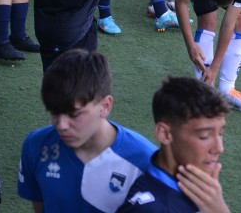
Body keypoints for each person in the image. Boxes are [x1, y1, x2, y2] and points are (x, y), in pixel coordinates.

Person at [18, 49, 155, 212]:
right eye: (54, 112)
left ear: (105, 106)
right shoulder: (36, 145)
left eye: (74, 114)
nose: (61, 125)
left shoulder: (145, 161)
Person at [117, 76, 231, 213]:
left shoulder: (203, 194)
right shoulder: (149, 209)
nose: (219, 148)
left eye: (220, 133)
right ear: (164, 134)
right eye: (204, 136)